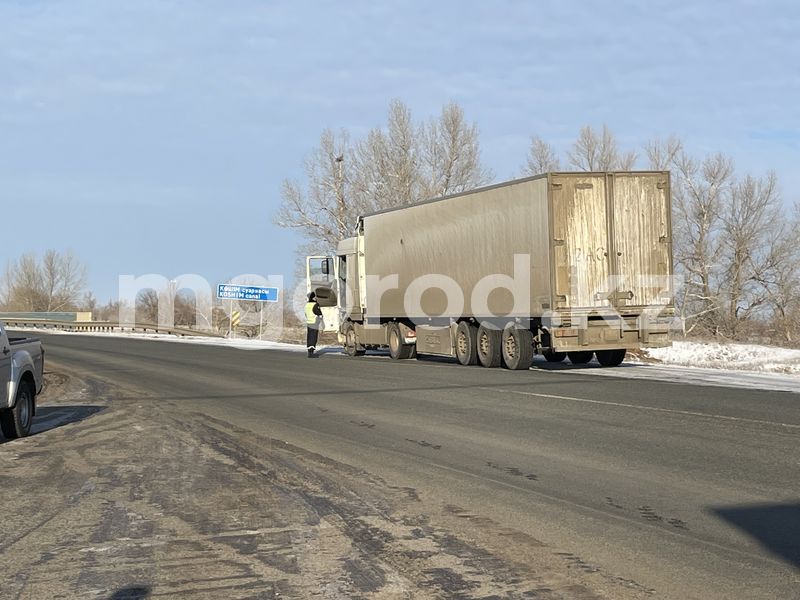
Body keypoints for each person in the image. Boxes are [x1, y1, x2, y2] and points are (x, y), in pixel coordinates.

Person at [305, 291, 323, 358]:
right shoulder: (315, 305)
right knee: (313, 337)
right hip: (314, 322)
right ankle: (312, 353)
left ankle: (309, 352)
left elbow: (306, 314)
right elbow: (319, 313)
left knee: (309, 337)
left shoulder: (307, 305)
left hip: (309, 322)